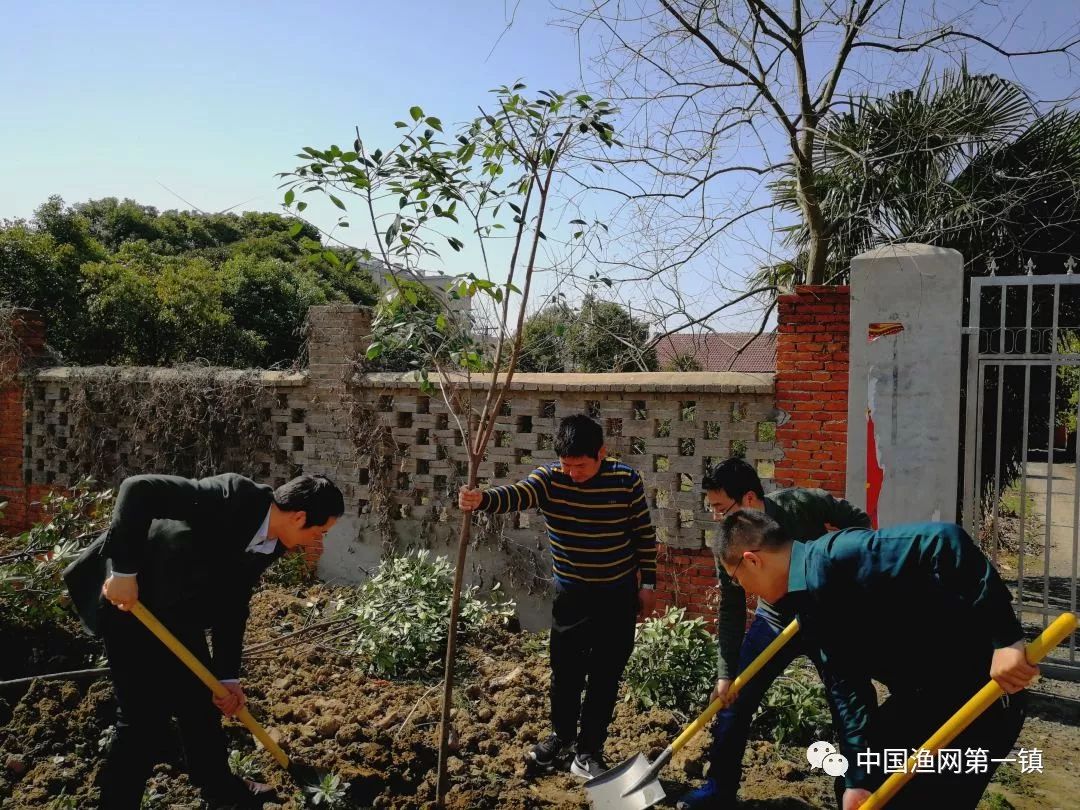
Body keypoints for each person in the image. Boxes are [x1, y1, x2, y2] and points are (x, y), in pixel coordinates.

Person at [717, 511, 1035, 809]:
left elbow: (943, 540)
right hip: (924, 698)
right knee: (858, 786)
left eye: (735, 579)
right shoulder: (809, 607)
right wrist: (858, 780)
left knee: (927, 799)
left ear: (752, 561)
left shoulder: (840, 555)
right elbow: (846, 690)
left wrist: (1005, 639)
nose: (743, 589)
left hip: (982, 695)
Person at [64, 472, 344, 809]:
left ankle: (219, 788)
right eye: (319, 531)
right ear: (299, 517)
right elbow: (137, 489)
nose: (318, 542)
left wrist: (227, 677)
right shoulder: (231, 497)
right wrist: (124, 573)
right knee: (142, 718)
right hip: (127, 599)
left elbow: (233, 601)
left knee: (200, 698)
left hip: (177, 605)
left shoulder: (272, 541)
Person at [458, 413, 657, 780]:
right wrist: (481, 498)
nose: (572, 474)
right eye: (566, 465)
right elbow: (515, 495)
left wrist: (649, 586)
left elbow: (644, 537)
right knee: (565, 673)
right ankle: (562, 739)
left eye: (580, 466)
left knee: (605, 676)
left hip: (617, 596)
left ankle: (589, 751)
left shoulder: (626, 481)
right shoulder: (549, 479)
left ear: (601, 453)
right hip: (573, 595)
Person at [680, 458, 871, 809]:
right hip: (775, 620)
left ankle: (853, 792)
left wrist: (839, 581)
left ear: (750, 499)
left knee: (850, 702)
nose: (718, 518)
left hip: (826, 616)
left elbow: (858, 524)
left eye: (722, 508)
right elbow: (732, 608)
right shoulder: (729, 543)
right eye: (713, 510)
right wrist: (726, 673)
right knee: (735, 698)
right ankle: (719, 788)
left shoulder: (802, 505)